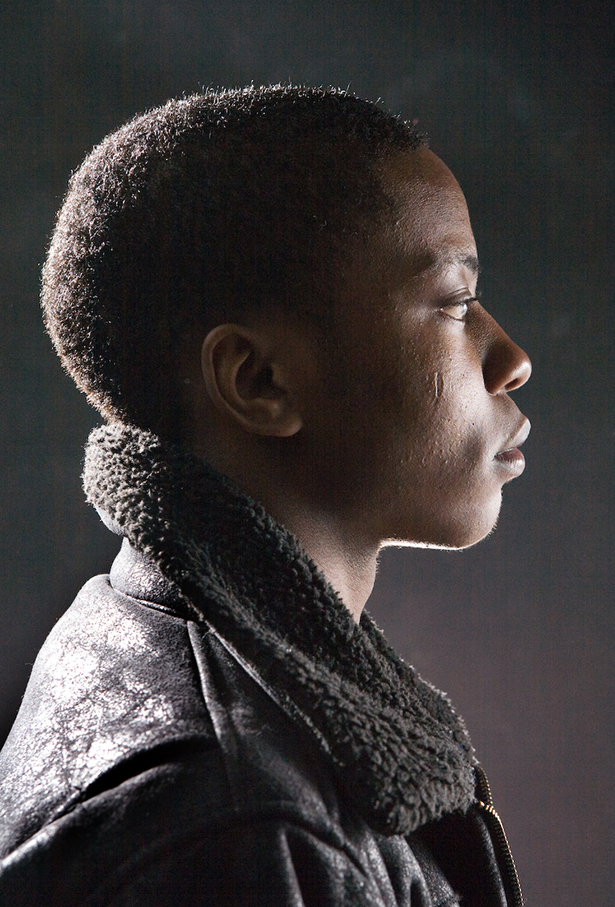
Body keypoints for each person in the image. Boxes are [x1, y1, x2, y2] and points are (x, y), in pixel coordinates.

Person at [0, 85, 531, 906]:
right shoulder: (242, 827)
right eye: (456, 303)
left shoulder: (130, 630)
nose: (512, 360)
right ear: (260, 382)